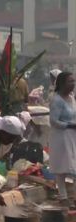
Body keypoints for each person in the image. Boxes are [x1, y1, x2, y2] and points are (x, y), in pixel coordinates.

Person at [48, 72, 76, 206]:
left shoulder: (71, 98)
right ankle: (63, 197)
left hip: (72, 136)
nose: (73, 84)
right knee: (62, 168)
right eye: (70, 82)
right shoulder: (57, 100)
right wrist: (70, 125)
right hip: (61, 136)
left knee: (73, 166)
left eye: (74, 81)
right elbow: (53, 121)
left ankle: (73, 198)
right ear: (62, 83)